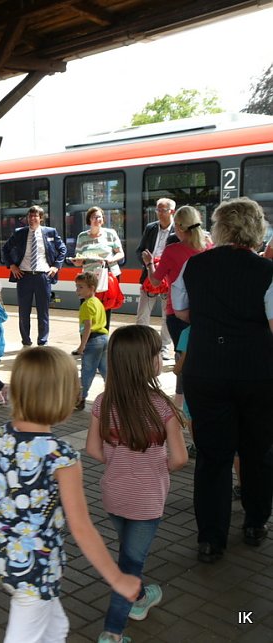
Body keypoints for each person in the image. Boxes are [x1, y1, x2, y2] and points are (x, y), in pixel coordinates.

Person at [0, 347, 140, 643]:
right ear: (63, 397)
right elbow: (82, 528)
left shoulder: (1, 438)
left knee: (56, 627)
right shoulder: (61, 456)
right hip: (35, 571)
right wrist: (117, 578)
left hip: (3, 557)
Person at [171, 197, 273, 564]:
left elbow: (182, 311)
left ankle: (211, 540)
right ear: (255, 229)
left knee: (212, 457)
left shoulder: (195, 266)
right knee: (257, 451)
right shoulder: (267, 272)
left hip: (206, 370)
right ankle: (255, 523)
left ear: (220, 228)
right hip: (257, 374)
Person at [85, 325, 188, 643]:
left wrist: (119, 463)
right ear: (148, 362)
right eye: (158, 352)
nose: (161, 357)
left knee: (130, 556)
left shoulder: (103, 401)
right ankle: (112, 633)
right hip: (147, 500)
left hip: (114, 495)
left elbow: (92, 449)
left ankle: (142, 598)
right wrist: (157, 468)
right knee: (129, 566)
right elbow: (181, 458)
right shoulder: (162, 405)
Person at [142, 205, 211, 408]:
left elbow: (155, 282)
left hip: (177, 314)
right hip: (204, 312)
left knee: (182, 358)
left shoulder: (172, 250)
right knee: (200, 354)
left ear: (179, 227)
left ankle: (181, 403)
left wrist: (149, 263)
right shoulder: (209, 246)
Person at [1, 205, 67, 347]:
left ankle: (42, 341)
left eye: (35, 216)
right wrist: (12, 265)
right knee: (24, 311)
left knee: (43, 311)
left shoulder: (50, 232)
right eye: (30, 216)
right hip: (23, 276)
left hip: (43, 276)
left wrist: (56, 266)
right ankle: (26, 340)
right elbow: (5, 249)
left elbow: (62, 249)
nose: (32, 219)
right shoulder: (20, 233)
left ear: (41, 218)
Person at [70, 206, 125, 329]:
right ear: (89, 220)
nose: (97, 219)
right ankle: (86, 339)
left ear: (103, 219)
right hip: (88, 278)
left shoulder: (111, 233)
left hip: (108, 275)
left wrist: (110, 259)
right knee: (87, 307)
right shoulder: (82, 236)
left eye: (99, 216)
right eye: (94, 217)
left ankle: (103, 338)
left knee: (105, 307)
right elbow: (79, 259)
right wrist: (76, 262)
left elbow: (120, 253)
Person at [135, 198, 176, 357]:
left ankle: (164, 347)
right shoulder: (151, 228)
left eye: (162, 210)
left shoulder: (177, 230)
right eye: (157, 210)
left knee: (167, 314)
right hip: (149, 274)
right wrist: (148, 264)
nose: (158, 213)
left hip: (169, 277)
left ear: (171, 211)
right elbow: (140, 250)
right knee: (143, 313)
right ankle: (141, 344)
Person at [74, 272, 109, 411]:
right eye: (77, 287)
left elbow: (87, 326)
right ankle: (115, 394)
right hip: (104, 338)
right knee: (106, 370)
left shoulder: (86, 305)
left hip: (93, 340)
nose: (77, 290)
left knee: (88, 371)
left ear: (92, 287)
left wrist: (82, 346)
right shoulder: (97, 302)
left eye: (81, 287)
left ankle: (80, 398)